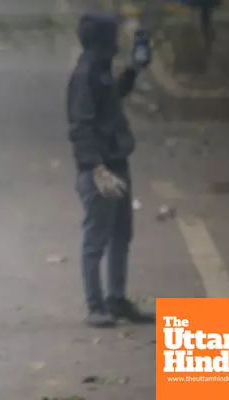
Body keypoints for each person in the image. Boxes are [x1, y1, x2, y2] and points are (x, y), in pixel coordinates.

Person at [66, 11, 155, 328]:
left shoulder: (100, 69)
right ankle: (96, 305)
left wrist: (133, 71)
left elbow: (112, 98)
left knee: (121, 235)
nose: (119, 40)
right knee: (97, 239)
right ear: (104, 39)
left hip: (117, 162)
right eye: (114, 35)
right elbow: (80, 125)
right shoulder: (85, 75)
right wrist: (95, 168)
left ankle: (117, 300)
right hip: (101, 169)